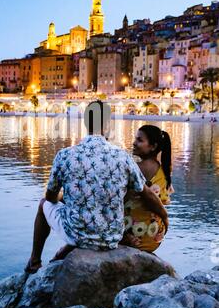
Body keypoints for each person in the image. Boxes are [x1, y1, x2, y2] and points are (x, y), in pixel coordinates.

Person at [25, 101, 168, 273]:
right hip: (111, 237)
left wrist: (68, 196)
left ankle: (34, 262)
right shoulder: (123, 157)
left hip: (76, 236)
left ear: (86, 122)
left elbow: (50, 198)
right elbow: (147, 194)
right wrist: (164, 216)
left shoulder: (64, 155)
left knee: (43, 204)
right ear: (107, 124)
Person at [121, 125, 174, 252]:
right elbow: (163, 202)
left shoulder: (132, 168)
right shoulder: (164, 172)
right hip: (154, 238)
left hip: (130, 235)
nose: (134, 143)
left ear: (153, 146)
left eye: (139, 140)